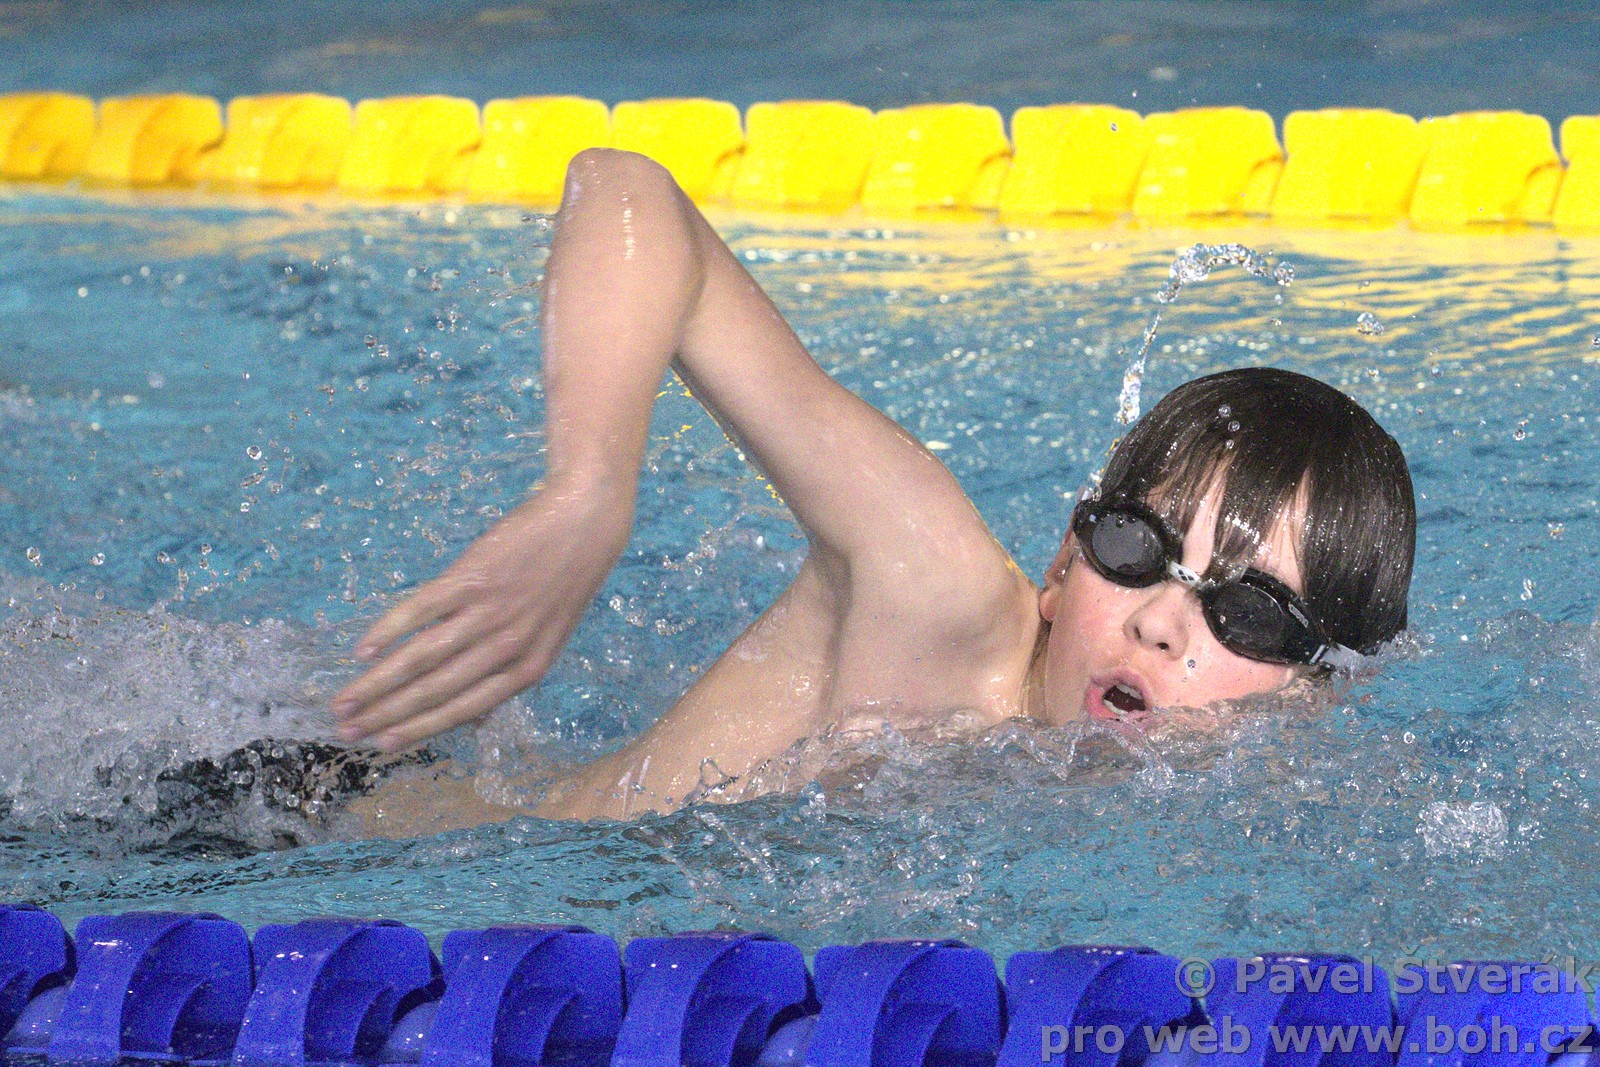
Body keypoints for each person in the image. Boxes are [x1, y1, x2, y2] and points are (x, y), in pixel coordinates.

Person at [329, 148, 1416, 822]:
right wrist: (587, 490)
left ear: (1311, 699)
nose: (1162, 620)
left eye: (1246, 610)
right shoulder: (938, 604)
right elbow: (626, 189)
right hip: (316, 836)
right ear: (1058, 567)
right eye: (1134, 549)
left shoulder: (1260, 811)